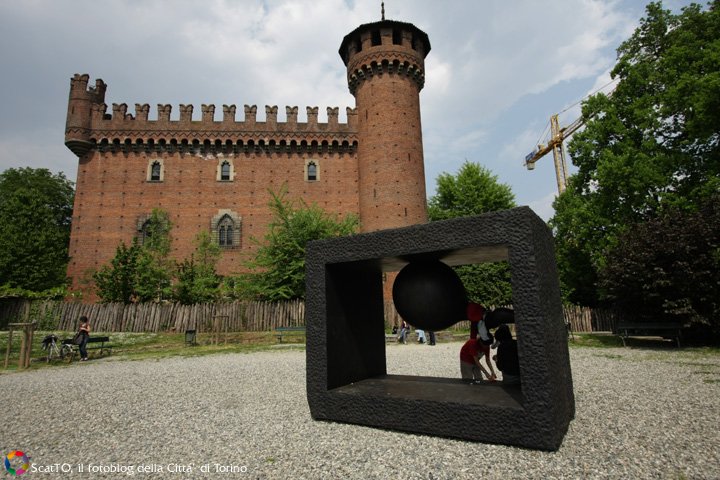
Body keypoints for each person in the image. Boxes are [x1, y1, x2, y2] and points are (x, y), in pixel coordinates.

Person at [466, 302, 497, 381]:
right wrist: (486, 373)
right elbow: (476, 361)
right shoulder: (473, 342)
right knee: (467, 379)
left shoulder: (486, 344)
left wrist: (492, 372)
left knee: (479, 379)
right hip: (466, 359)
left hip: (475, 359)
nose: (486, 348)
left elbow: (487, 360)